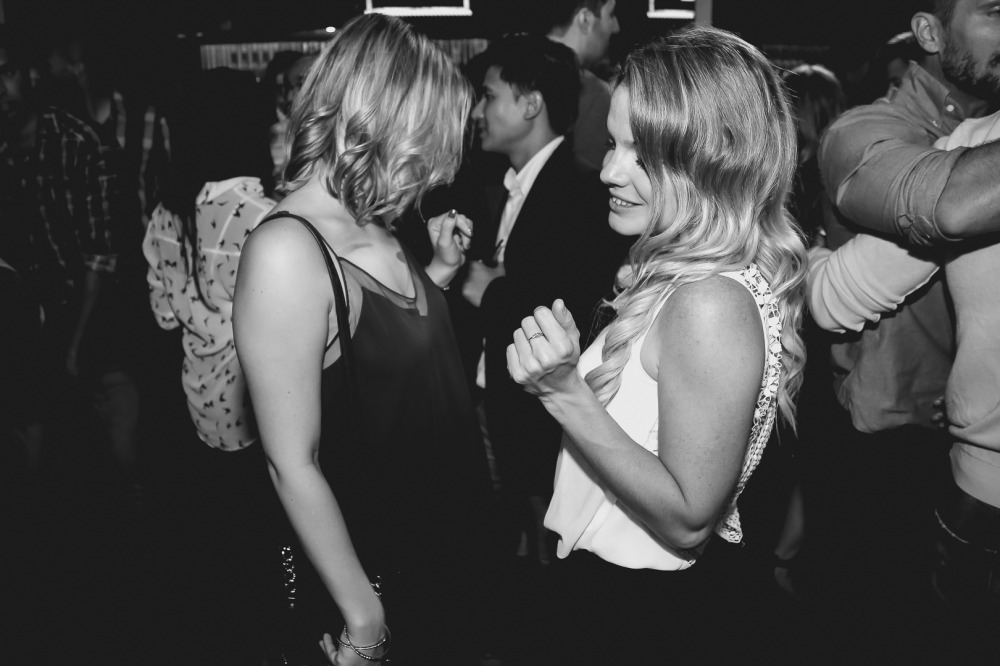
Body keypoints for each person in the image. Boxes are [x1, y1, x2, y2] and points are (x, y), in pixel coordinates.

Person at [506, 25, 807, 664]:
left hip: (645, 613)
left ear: (711, 161)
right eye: (612, 144)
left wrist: (564, 392)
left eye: (640, 155)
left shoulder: (710, 302)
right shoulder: (687, 277)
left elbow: (688, 517)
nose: (608, 170)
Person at [233, 14, 493, 666]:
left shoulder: (375, 217)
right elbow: (291, 463)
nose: (433, 167)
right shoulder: (287, 251)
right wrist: (365, 617)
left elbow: (376, 349)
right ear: (378, 123)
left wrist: (438, 276)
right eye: (426, 142)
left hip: (440, 549)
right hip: (371, 570)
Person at [815, 1, 1000, 656]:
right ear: (929, 33)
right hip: (891, 427)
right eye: (996, 10)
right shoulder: (866, 130)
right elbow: (946, 204)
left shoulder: (980, 134)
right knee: (884, 625)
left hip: (950, 429)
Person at [459, 33, 629, 566]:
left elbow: (576, 311)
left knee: (546, 552)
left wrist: (491, 290)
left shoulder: (580, 195)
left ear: (531, 104)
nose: (478, 111)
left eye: (489, 96)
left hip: (540, 418)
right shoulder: (510, 183)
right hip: (502, 402)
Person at [545, 0, 620, 171]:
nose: (616, 27)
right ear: (585, 19)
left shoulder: (509, 66)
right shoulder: (597, 95)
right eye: (611, 14)